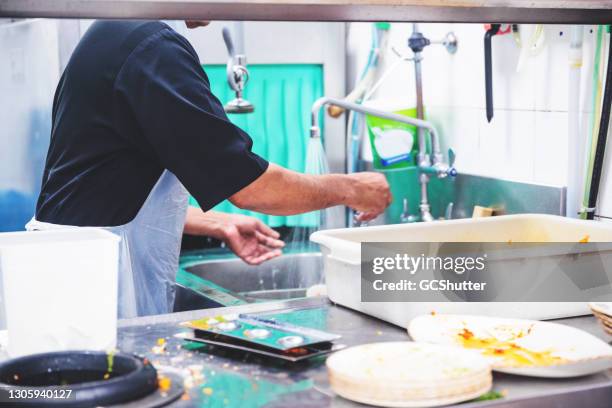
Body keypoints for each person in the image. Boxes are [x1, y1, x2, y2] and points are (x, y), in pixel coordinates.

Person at [28, 20, 391, 318]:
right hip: (94, 295)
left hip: (79, 277)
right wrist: (353, 188)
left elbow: (106, 190)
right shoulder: (152, 48)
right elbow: (251, 187)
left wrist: (218, 222)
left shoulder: (120, 33)